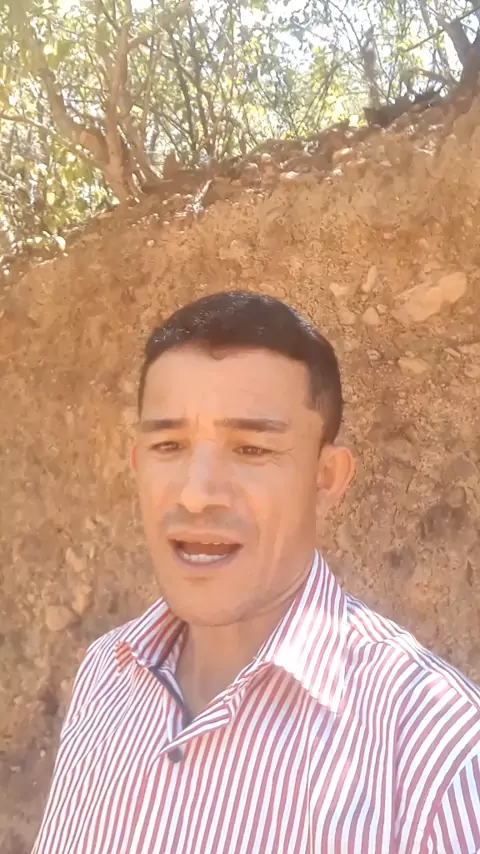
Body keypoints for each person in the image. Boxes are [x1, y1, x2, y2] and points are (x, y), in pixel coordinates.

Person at [33, 291, 480, 854]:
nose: (196, 495)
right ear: (138, 465)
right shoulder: (105, 678)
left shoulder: (440, 758)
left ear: (326, 478)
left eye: (251, 449)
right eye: (169, 445)